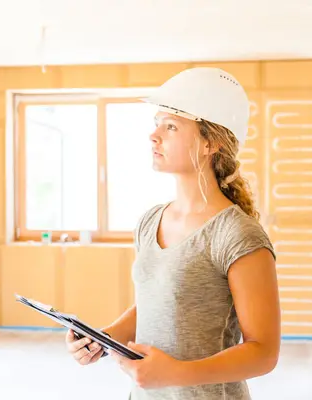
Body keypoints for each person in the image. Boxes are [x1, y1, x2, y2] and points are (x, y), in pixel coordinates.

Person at [65, 67, 280, 400]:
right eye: (156, 123)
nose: (154, 136)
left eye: (171, 126)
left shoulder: (238, 234)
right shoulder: (151, 221)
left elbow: (264, 352)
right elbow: (158, 304)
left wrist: (177, 373)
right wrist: (103, 337)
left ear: (210, 143)